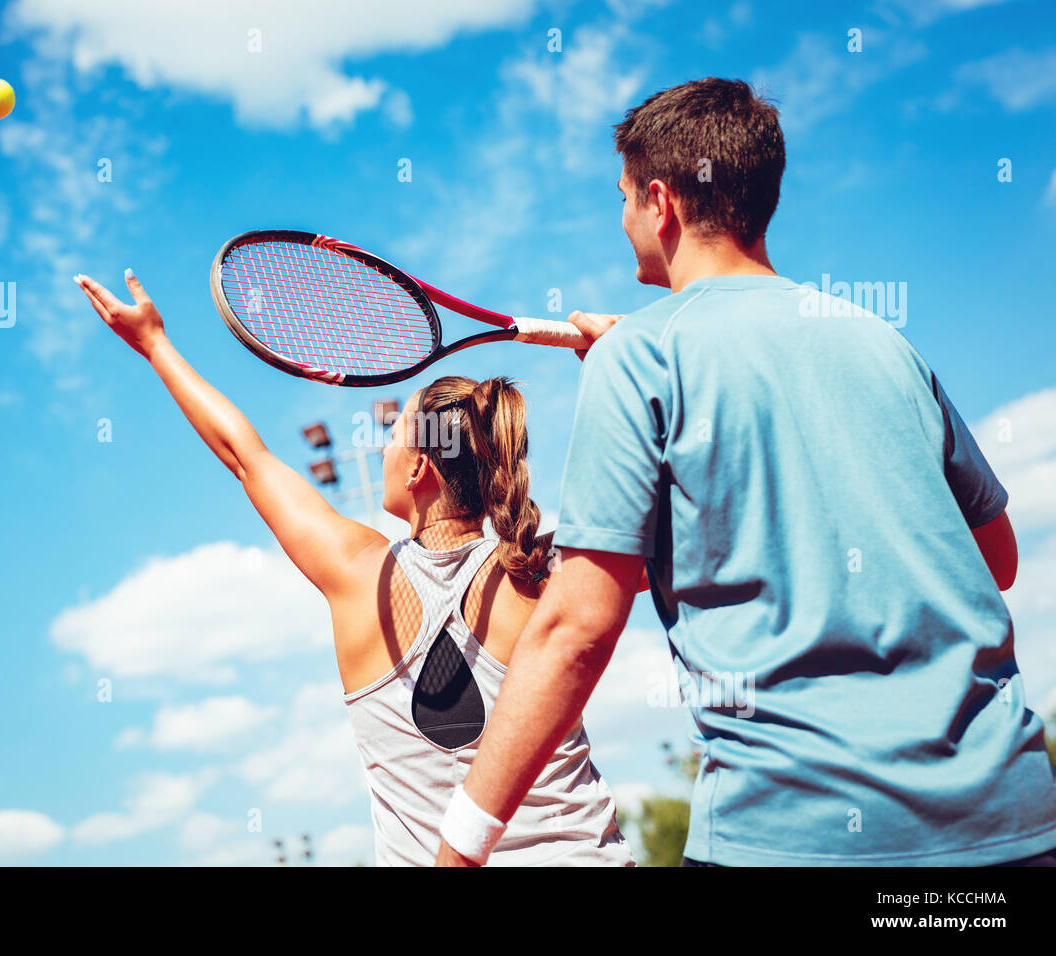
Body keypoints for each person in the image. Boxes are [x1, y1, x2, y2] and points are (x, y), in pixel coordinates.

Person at [435, 76, 1056, 867]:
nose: (622, 218)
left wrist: (460, 848)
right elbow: (995, 560)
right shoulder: (880, 339)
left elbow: (576, 630)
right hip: (1015, 821)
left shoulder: (641, 360)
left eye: (623, 197)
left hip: (798, 836)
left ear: (660, 202)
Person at [74, 269, 634, 866]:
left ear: (420, 468)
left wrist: (156, 345)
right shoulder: (543, 566)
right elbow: (696, 518)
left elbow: (245, 456)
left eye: (392, 436)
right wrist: (625, 374)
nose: (384, 448)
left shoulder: (358, 573)